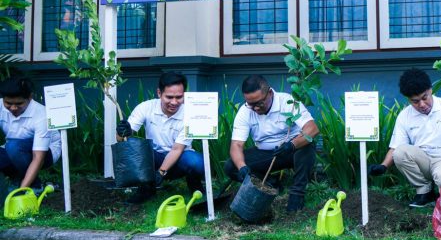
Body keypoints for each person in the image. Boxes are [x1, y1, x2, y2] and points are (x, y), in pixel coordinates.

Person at [368, 68, 441, 208]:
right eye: (415, 101)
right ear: (408, 99)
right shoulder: (404, 116)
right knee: (400, 153)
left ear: (430, 90)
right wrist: (383, 166)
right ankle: (424, 192)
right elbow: (396, 147)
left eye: (425, 98)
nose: (422, 105)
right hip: (424, 161)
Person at [225, 75, 319, 212]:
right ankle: (272, 183)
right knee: (231, 166)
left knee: (307, 146)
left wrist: (291, 145)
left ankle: (297, 193)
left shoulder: (288, 102)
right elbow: (236, 145)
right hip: (266, 154)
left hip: (291, 150)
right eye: (251, 104)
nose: (255, 108)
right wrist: (242, 167)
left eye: (259, 103)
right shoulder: (245, 111)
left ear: (269, 93)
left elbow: (312, 129)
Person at [116, 72, 205, 202]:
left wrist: (161, 172)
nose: (174, 102)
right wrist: (121, 132)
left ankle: (195, 185)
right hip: (154, 157)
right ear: (159, 93)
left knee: (196, 162)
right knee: (132, 145)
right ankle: (146, 188)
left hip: (179, 158)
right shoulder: (146, 107)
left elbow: (177, 149)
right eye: (169, 97)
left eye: (179, 97)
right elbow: (121, 141)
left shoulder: (189, 114)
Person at [0, 75, 61, 190]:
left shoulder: (41, 115)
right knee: (12, 147)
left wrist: (22, 190)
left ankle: (33, 186)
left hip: (46, 152)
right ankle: (16, 178)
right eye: (8, 103)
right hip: (11, 148)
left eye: (19, 104)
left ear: (30, 97)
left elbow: (38, 157)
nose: (13, 108)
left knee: (14, 147)